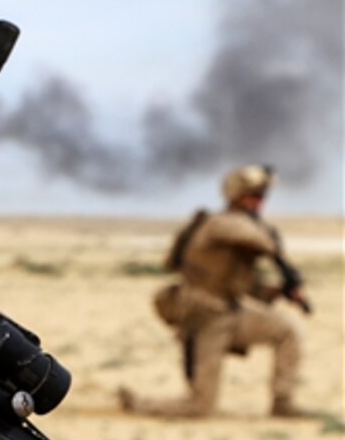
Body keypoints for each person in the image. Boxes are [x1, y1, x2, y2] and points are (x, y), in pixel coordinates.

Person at [119, 164, 313, 419]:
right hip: (206, 316)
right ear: (236, 197)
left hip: (231, 310)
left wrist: (282, 291)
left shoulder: (244, 235)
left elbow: (247, 285)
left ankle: (282, 402)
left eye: (261, 198)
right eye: (252, 197)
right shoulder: (220, 224)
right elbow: (254, 237)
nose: (258, 203)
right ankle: (139, 405)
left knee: (287, 331)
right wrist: (272, 245)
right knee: (201, 407)